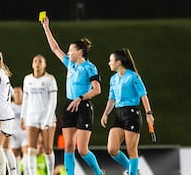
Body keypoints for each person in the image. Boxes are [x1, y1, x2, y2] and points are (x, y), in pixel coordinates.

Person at [41, 17, 103, 175]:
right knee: (68, 146)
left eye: (71, 50)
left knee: (82, 149)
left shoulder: (90, 68)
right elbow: (55, 48)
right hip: (69, 106)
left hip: (83, 106)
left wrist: (81, 98)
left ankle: (97, 172)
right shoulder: (70, 63)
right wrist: (46, 27)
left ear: (80, 52)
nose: (68, 53)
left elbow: (97, 89)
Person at [101, 48, 155, 175]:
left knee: (132, 150)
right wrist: (105, 113)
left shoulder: (133, 77)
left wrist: (149, 115)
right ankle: (134, 170)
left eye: (111, 61)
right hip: (119, 114)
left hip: (131, 114)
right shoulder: (113, 79)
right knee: (112, 149)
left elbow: (143, 96)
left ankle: (132, 173)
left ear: (118, 62)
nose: (109, 63)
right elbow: (112, 99)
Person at [20, 54, 58, 175]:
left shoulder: (50, 79)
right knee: (31, 149)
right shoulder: (27, 79)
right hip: (31, 118)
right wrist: (22, 116)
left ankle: (50, 172)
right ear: (32, 64)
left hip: (47, 119)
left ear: (44, 65)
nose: (37, 63)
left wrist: (48, 119)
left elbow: (53, 101)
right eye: (35, 61)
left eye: (40, 61)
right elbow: (25, 98)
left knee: (47, 149)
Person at [10, 87, 28, 175]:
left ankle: (27, 172)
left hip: (26, 134)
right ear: (12, 95)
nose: (17, 94)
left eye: (19, 92)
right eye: (15, 92)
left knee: (27, 154)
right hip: (14, 135)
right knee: (14, 158)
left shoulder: (27, 105)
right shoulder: (9, 106)